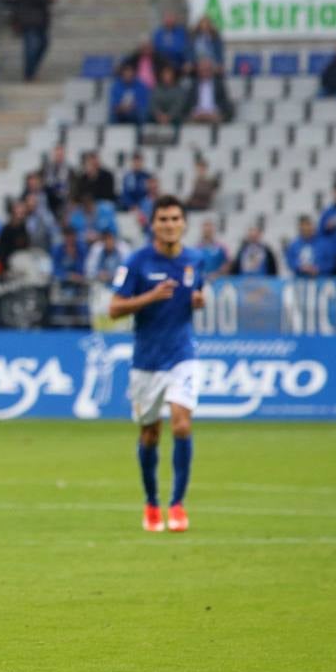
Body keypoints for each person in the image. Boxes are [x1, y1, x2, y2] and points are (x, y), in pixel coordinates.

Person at [108, 195, 206, 535]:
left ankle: (177, 505)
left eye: (175, 218)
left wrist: (199, 300)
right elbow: (114, 308)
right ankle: (152, 503)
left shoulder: (196, 260)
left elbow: (196, 293)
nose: (170, 224)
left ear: (184, 223)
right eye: (163, 219)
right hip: (147, 362)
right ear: (153, 224)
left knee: (181, 424)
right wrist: (152, 296)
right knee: (150, 433)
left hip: (182, 355)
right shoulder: (137, 262)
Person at [15, 0, 53, 82]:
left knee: (43, 44)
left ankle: (32, 71)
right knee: (31, 47)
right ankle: (29, 74)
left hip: (40, 19)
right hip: (29, 19)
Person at [183, 58, 233, 124]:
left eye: (207, 70)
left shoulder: (219, 85)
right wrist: (193, 113)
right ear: (198, 71)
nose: (204, 73)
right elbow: (187, 104)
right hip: (196, 116)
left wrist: (218, 113)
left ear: (212, 70)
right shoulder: (192, 85)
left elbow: (224, 103)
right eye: (202, 70)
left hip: (214, 115)